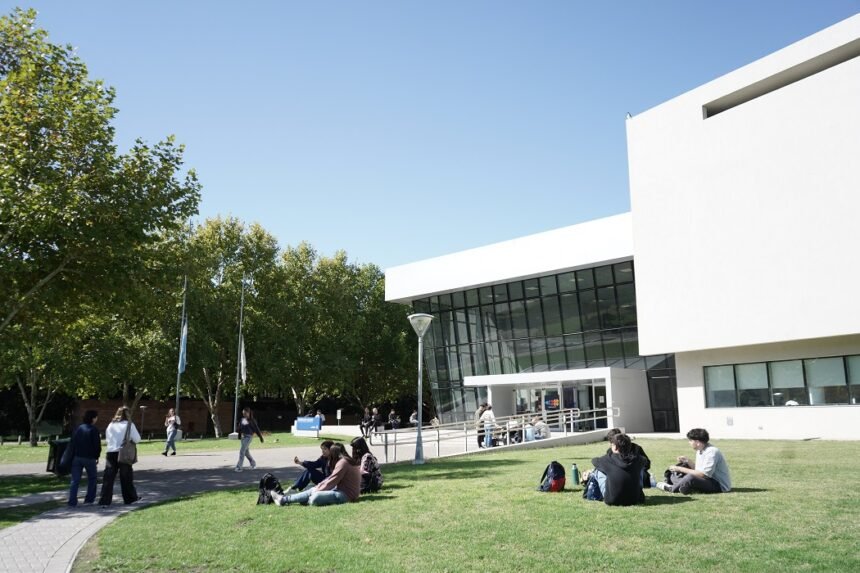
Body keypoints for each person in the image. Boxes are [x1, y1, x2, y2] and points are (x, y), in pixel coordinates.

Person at [270, 443, 361, 506]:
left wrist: (318, 489)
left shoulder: (343, 463)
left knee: (315, 497)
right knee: (313, 490)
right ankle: (283, 499)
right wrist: (318, 487)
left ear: (333, 453)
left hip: (346, 495)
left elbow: (333, 480)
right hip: (345, 492)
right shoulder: (347, 460)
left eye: (326, 450)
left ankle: (293, 498)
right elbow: (330, 477)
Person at [656, 428, 732, 494]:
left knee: (690, 477)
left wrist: (680, 469)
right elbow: (698, 470)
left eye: (690, 440)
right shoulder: (700, 450)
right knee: (679, 471)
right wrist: (687, 461)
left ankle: (672, 488)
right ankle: (686, 487)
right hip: (707, 480)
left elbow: (703, 475)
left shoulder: (712, 452)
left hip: (718, 485)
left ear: (697, 442)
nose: (689, 442)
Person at [98, 406, 141, 506]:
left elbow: (108, 438)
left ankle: (104, 500)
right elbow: (137, 439)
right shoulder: (129, 425)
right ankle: (130, 498)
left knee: (108, 477)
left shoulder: (111, 425)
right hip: (124, 452)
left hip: (111, 451)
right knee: (126, 477)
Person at [587, 432, 645, 506]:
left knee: (598, 470)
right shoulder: (637, 459)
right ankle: (638, 492)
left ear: (615, 447)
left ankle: (593, 495)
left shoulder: (608, 459)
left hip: (612, 500)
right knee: (640, 468)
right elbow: (644, 460)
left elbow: (594, 461)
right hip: (634, 499)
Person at [67, 410, 101, 507]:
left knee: (75, 480)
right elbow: (97, 445)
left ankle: (72, 501)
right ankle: (89, 500)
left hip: (77, 457)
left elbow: (73, 442)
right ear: (93, 418)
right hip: (89, 458)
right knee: (92, 478)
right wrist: (97, 456)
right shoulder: (93, 429)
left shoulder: (78, 428)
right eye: (96, 417)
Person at [234, 407, 264, 472]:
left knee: (242, 451)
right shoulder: (243, 419)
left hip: (248, 437)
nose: (244, 415)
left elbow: (256, 429)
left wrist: (260, 437)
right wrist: (239, 435)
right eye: (243, 413)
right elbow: (240, 428)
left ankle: (239, 467)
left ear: (249, 413)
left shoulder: (252, 420)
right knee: (246, 452)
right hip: (243, 437)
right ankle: (253, 463)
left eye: (245, 413)